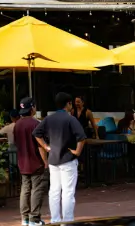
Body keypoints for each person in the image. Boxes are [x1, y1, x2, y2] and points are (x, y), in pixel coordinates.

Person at [33, 92, 86, 224]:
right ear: (68, 104)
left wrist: (46, 147)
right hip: (68, 159)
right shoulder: (70, 119)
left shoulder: (48, 119)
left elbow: (36, 133)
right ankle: (67, 221)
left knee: (54, 191)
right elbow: (82, 137)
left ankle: (55, 220)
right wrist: (78, 152)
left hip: (53, 159)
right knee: (68, 192)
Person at [14, 97, 48, 226]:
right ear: (32, 108)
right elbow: (40, 145)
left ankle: (25, 218)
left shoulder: (17, 125)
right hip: (35, 162)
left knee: (25, 190)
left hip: (22, 162)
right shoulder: (36, 124)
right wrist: (45, 161)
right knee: (36, 190)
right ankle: (34, 219)